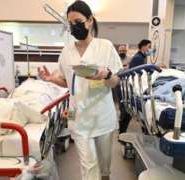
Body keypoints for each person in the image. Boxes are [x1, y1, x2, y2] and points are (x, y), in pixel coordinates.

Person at [37, 1, 122, 180]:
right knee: (89, 166)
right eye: (70, 23)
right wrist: (52, 79)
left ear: (90, 21)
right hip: (79, 118)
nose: (74, 26)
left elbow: (115, 82)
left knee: (104, 168)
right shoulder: (66, 52)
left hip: (102, 117)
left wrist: (106, 75)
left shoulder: (105, 47)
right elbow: (67, 82)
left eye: (78, 21)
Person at [115, 45, 132, 134]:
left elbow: (131, 69)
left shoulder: (130, 59)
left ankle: (123, 120)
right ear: (118, 51)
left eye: (123, 51)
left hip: (128, 84)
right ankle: (121, 120)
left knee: (127, 103)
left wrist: (125, 68)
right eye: (120, 51)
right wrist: (123, 69)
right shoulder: (115, 59)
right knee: (121, 102)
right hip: (118, 83)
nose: (121, 52)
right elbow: (114, 71)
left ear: (126, 51)